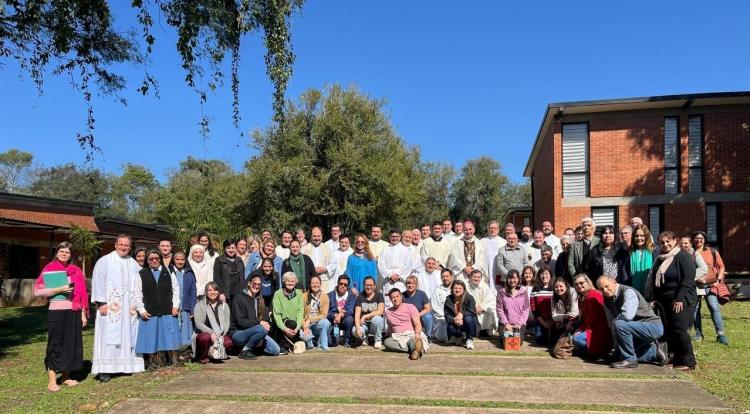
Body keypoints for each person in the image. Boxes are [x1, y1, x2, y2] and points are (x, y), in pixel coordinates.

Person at [34, 241, 88, 392]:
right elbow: (37, 291)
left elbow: (82, 295)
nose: (64, 254)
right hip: (56, 310)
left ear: (71, 255)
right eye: (61, 251)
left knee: (71, 343)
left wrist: (83, 314)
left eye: (68, 252)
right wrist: (60, 289)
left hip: (74, 311)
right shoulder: (49, 269)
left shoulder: (76, 271)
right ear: (56, 253)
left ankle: (66, 377)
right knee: (55, 343)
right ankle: (52, 380)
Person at [91, 235, 144, 382]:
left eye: (126, 245)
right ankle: (105, 369)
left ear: (130, 247)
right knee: (109, 337)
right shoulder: (104, 261)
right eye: (121, 244)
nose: (123, 247)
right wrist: (101, 302)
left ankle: (126, 366)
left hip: (129, 308)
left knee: (128, 335)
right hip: (110, 306)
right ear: (115, 245)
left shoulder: (134, 264)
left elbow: (140, 285)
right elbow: (98, 281)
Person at [647, 231, 697, 371]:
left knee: (679, 329)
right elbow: (654, 279)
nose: (665, 244)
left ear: (675, 241)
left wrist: (679, 298)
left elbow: (688, 279)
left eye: (668, 241)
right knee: (668, 330)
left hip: (681, 300)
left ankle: (689, 361)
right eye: (662, 242)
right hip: (664, 301)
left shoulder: (682, 256)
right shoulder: (660, 258)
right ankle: (675, 358)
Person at [598, 275, 667, 369]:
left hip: (652, 326)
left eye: (607, 286)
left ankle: (630, 360)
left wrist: (615, 324)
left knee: (619, 323)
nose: (605, 290)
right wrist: (616, 347)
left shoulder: (628, 291)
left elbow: (627, 315)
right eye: (601, 289)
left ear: (614, 282)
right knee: (618, 355)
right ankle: (655, 352)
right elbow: (611, 324)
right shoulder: (607, 299)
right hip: (634, 329)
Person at [134, 250, 180, 369]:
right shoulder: (141, 274)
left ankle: (170, 360)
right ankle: (152, 363)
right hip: (150, 312)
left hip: (167, 310)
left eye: (156, 258)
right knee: (151, 338)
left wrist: (176, 305)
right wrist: (141, 310)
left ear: (160, 258)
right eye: (150, 259)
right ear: (147, 261)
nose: (154, 260)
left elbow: (176, 289)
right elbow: (137, 294)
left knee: (168, 336)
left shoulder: (169, 271)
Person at [230, 275, 281, 359]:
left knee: (275, 350)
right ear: (249, 284)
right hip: (238, 333)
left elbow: (264, 318)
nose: (256, 286)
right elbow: (240, 322)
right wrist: (260, 322)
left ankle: (252, 347)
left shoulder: (260, 299)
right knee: (261, 329)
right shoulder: (239, 297)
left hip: (256, 331)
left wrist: (266, 323)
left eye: (259, 284)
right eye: (254, 283)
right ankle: (245, 350)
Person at [691, 231, 729, 345]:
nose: (699, 240)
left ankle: (720, 334)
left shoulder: (712, 251)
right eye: (696, 238)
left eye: (701, 238)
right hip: (695, 284)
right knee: (695, 310)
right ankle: (698, 334)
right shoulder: (690, 252)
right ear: (692, 240)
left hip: (710, 284)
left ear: (705, 240)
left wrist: (719, 280)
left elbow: (721, 266)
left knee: (714, 307)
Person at [571, 274, 612, 359]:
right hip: (590, 326)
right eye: (576, 284)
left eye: (581, 282)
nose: (579, 285)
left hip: (599, 329)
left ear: (588, 282)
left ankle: (598, 350)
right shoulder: (583, 297)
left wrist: (581, 329)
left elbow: (593, 317)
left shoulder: (593, 294)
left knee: (577, 339)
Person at [193, 281, 233, 364]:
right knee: (205, 338)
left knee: (228, 342)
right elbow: (198, 323)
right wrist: (211, 334)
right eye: (210, 290)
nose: (212, 292)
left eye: (215, 290)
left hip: (219, 334)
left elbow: (227, 323)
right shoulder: (200, 305)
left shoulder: (224, 305)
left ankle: (215, 355)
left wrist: (221, 335)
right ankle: (204, 356)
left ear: (218, 292)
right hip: (205, 334)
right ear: (206, 292)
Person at [383, 288, 426, 360]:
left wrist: (417, 333)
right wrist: (388, 335)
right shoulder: (388, 312)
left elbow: (417, 323)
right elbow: (390, 327)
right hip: (398, 337)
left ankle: (416, 348)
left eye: (397, 296)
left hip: (410, 334)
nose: (395, 299)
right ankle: (415, 350)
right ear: (390, 299)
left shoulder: (410, 307)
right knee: (387, 342)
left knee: (412, 340)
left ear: (401, 296)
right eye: (393, 297)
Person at [169, 252, 197, 355]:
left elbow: (193, 293)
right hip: (173, 308)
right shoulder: (169, 272)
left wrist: (192, 309)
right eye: (177, 259)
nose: (180, 262)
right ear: (173, 260)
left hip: (186, 307)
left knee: (186, 332)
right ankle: (174, 353)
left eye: (182, 260)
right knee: (174, 330)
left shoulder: (189, 273)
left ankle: (185, 353)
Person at [271, 272, 305, 354]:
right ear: (284, 282)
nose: (290, 283)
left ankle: (290, 343)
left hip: (294, 326)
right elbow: (277, 315)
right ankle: (282, 344)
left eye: (292, 281)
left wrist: (297, 328)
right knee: (291, 323)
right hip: (281, 324)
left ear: (295, 282)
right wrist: (285, 329)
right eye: (288, 281)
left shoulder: (299, 294)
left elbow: (300, 312)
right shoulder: (278, 294)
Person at [495, 269, 530, 342]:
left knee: (517, 342)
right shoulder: (502, 292)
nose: (512, 280)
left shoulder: (523, 292)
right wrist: (506, 324)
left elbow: (526, 309)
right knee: (505, 341)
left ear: (518, 279)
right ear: (507, 279)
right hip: (505, 324)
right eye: (510, 278)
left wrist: (518, 325)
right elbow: (499, 309)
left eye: (514, 278)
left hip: (519, 325)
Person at [353, 276, 385, 348]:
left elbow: (380, 311)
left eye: (370, 285)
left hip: (375, 325)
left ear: (374, 286)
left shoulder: (379, 296)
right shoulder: (360, 297)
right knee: (354, 330)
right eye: (366, 285)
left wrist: (365, 316)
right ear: (364, 286)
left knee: (378, 319)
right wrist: (358, 328)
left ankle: (378, 340)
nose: (368, 287)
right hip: (364, 325)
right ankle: (364, 337)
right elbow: (357, 315)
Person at [378, 229, 412, 296]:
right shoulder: (385, 250)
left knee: (400, 302)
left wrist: (397, 276)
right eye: (392, 236)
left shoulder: (406, 250)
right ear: (389, 237)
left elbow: (407, 266)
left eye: (396, 236)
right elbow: (381, 264)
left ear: (400, 237)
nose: (394, 238)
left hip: (400, 281)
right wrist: (390, 275)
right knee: (388, 303)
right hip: (388, 280)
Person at [444, 279, 477, 349]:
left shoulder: (469, 298)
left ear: (464, 289)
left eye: (460, 288)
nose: (457, 290)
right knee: (450, 328)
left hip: (468, 323)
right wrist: (454, 320)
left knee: (468, 319)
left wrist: (462, 314)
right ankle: (459, 336)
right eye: (455, 288)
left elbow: (472, 311)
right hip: (456, 323)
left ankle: (469, 339)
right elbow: (447, 314)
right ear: (452, 289)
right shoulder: (448, 299)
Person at [302, 226, 336, 293]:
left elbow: (334, 264)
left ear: (322, 236)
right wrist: (311, 269)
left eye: (319, 236)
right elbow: (301, 264)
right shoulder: (304, 249)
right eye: (314, 236)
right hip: (309, 280)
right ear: (311, 236)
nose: (317, 238)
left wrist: (326, 269)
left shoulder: (327, 248)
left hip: (324, 280)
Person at [302, 275, 331, 351]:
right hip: (305, 325)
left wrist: (310, 319)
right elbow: (300, 314)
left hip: (317, 325)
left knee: (326, 322)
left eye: (317, 283)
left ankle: (322, 346)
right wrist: (304, 326)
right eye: (313, 283)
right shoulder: (304, 296)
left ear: (321, 284)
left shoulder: (325, 297)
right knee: (307, 342)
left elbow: (324, 315)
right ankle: (309, 342)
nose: (315, 285)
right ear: (310, 285)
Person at [327, 275, 356, 347]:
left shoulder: (352, 296)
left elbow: (350, 311)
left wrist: (340, 315)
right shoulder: (330, 295)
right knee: (332, 343)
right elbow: (326, 312)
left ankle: (346, 339)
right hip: (334, 322)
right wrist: (335, 315)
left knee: (350, 319)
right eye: (341, 283)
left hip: (345, 320)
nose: (343, 286)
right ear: (337, 283)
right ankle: (337, 338)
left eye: (345, 285)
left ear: (348, 286)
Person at [466, 269, 497, 336]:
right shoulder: (466, 287)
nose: (476, 279)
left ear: (481, 278)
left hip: (482, 311)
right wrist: (473, 308)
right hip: (471, 311)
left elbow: (491, 301)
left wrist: (482, 308)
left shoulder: (485, 287)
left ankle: (485, 329)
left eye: (478, 277)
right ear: (470, 277)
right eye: (474, 277)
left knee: (490, 310)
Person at [213, 239, 245, 304]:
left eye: (233, 248)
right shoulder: (219, 260)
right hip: (226, 294)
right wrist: (221, 293)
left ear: (236, 248)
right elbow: (216, 278)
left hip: (238, 293)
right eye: (228, 248)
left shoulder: (239, 260)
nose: (231, 250)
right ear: (224, 249)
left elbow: (242, 276)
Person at [627, 224, 656, 295]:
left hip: (652, 290)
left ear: (646, 236)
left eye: (642, 235)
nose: (639, 238)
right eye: (636, 236)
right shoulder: (628, 252)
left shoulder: (654, 250)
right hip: (633, 290)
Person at [530, 267, 556, 346]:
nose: (544, 276)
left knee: (553, 342)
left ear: (550, 275)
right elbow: (534, 308)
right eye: (542, 274)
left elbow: (558, 307)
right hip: (540, 320)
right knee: (541, 341)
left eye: (546, 274)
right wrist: (543, 322)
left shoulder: (555, 288)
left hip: (554, 320)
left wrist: (553, 321)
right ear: (539, 276)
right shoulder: (535, 289)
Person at [402, 275, 433, 340]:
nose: (410, 285)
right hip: (407, 318)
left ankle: (428, 336)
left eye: (413, 283)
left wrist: (418, 315)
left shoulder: (422, 294)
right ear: (405, 284)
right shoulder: (402, 295)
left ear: (416, 284)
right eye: (408, 283)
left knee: (428, 316)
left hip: (420, 317)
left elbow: (428, 308)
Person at [481, 220, 506, 294]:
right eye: (491, 228)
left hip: (498, 271)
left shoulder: (503, 242)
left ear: (498, 229)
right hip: (486, 270)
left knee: (498, 291)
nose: (493, 230)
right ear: (487, 229)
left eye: (495, 228)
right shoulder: (482, 241)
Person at [429, 268, 453, 343]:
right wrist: (446, 318)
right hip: (442, 320)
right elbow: (434, 307)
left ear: (451, 277)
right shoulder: (437, 290)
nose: (445, 278)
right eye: (443, 276)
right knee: (443, 338)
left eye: (447, 276)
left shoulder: (457, 288)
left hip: (456, 318)